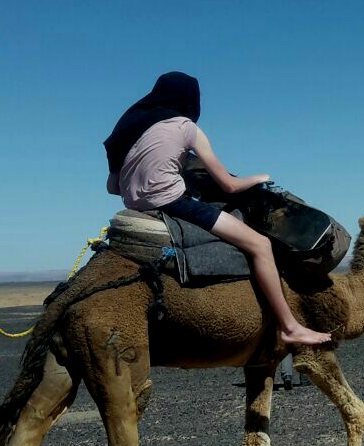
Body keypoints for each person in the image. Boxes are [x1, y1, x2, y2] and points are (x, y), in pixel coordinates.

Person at [104, 72, 330, 347]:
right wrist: (258, 178)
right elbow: (229, 185)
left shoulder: (128, 132)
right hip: (173, 204)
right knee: (259, 245)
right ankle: (289, 326)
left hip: (134, 208)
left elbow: (113, 188)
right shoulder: (186, 127)